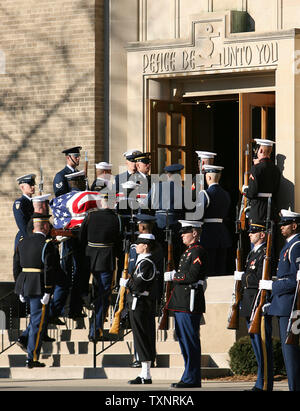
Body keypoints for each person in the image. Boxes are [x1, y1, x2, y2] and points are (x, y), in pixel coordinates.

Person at [165, 220, 208, 389]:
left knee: (190, 341)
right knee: (184, 341)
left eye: (185, 232)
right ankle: (188, 376)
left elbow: (192, 276)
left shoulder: (198, 251)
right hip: (181, 302)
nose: (182, 235)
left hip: (189, 302)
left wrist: (174, 276)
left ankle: (192, 378)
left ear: (195, 233)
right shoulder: (188, 252)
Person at [262, 209, 300, 391]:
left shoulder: (296, 245)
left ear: (294, 225)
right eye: (281, 224)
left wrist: (272, 286)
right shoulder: (289, 245)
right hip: (283, 304)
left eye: (285, 224)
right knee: (288, 352)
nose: (282, 227)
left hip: (291, 306)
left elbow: (295, 280)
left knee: (291, 352)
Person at [13, 213, 58, 368]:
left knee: (35, 321)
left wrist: (19, 288)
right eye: (48, 225)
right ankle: (32, 358)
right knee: (37, 324)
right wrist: (48, 290)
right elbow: (49, 269)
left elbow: (16, 266)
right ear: (44, 226)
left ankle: (31, 353)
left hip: (25, 284)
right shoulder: (47, 244)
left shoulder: (22, 242)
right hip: (39, 285)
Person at [79, 192, 122, 341]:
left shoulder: (90, 216)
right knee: (103, 296)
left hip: (89, 257)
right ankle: (96, 330)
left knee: (97, 294)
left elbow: (81, 238)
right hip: (106, 259)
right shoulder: (115, 218)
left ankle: (92, 321)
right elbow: (118, 241)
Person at [236, 222, 273, 391]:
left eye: (254, 232)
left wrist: (243, 276)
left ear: (262, 235)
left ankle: (264, 383)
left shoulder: (265, 253)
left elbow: (258, 278)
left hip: (257, 301)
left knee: (262, 346)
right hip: (249, 302)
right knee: (256, 344)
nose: (250, 235)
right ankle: (260, 382)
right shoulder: (253, 253)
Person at [128, 213, 164, 368]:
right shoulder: (159, 246)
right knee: (148, 327)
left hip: (139, 292)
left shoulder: (138, 245)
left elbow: (132, 270)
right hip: (154, 292)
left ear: (141, 227)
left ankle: (141, 359)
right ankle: (150, 357)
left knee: (141, 329)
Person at [121, 234, 157, 385]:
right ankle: (144, 374)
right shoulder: (141, 262)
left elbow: (137, 286)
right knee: (140, 338)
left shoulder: (147, 263)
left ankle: (146, 374)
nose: (136, 247)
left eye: (139, 244)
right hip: (137, 304)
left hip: (141, 304)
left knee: (143, 338)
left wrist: (126, 283)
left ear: (146, 246)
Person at [146, 163, 185, 268]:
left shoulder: (156, 187)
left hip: (159, 223)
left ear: (167, 175)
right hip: (175, 223)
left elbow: (146, 203)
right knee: (175, 254)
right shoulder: (182, 190)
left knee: (159, 253)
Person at [199, 165, 232, 275]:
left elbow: (198, 216)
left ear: (208, 178)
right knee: (220, 267)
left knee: (209, 267)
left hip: (208, 233)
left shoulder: (205, 193)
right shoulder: (226, 194)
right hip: (222, 232)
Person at [244, 139, 281, 223]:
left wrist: (246, 190)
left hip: (258, 208)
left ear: (260, 150)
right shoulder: (276, 169)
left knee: (256, 233)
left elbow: (252, 192)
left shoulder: (256, 168)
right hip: (271, 208)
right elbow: (276, 191)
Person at [13, 174, 36, 251]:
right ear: (22, 187)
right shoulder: (20, 203)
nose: (33, 187)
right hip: (25, 238)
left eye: (33, 184)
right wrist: (31, 240)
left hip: (34, 236)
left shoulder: (35, 202)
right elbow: (22, 225)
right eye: (30, 185)